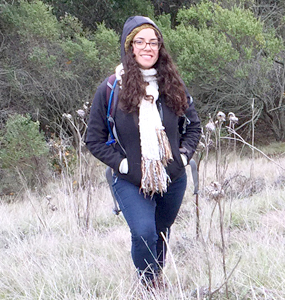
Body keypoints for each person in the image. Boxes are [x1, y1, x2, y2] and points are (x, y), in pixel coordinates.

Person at [85, 16, 201, 285]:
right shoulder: (111, 88)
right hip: (129, 179)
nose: (147, 47)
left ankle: (156, 276)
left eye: (153, 42)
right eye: (140, 42)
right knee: (143, 231)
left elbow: (193, 127)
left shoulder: (173, 85)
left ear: (160, 48)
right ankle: (147, 282)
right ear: (130, 47)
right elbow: (94, 139)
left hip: (172, 178)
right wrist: (124, 166)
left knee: (161, 231)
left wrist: (182, 158)